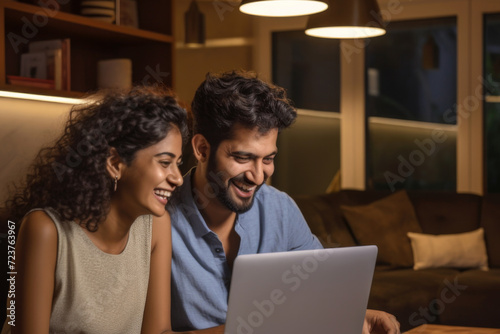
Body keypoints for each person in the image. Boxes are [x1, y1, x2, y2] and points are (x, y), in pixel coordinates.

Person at [167, 70, 401, 334]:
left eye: (268, 159)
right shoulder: (159, 220)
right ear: (202, 149)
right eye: (243, 157)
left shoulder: (281, 209)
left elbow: (319, 295)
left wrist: (359, 316)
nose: (258, 176)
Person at [2, 86, 187, 334]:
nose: (178, 178)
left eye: (178, 163)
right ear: (115, 164)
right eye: (165, 163)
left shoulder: (156, 226)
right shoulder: (45, 230)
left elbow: (158, 332)